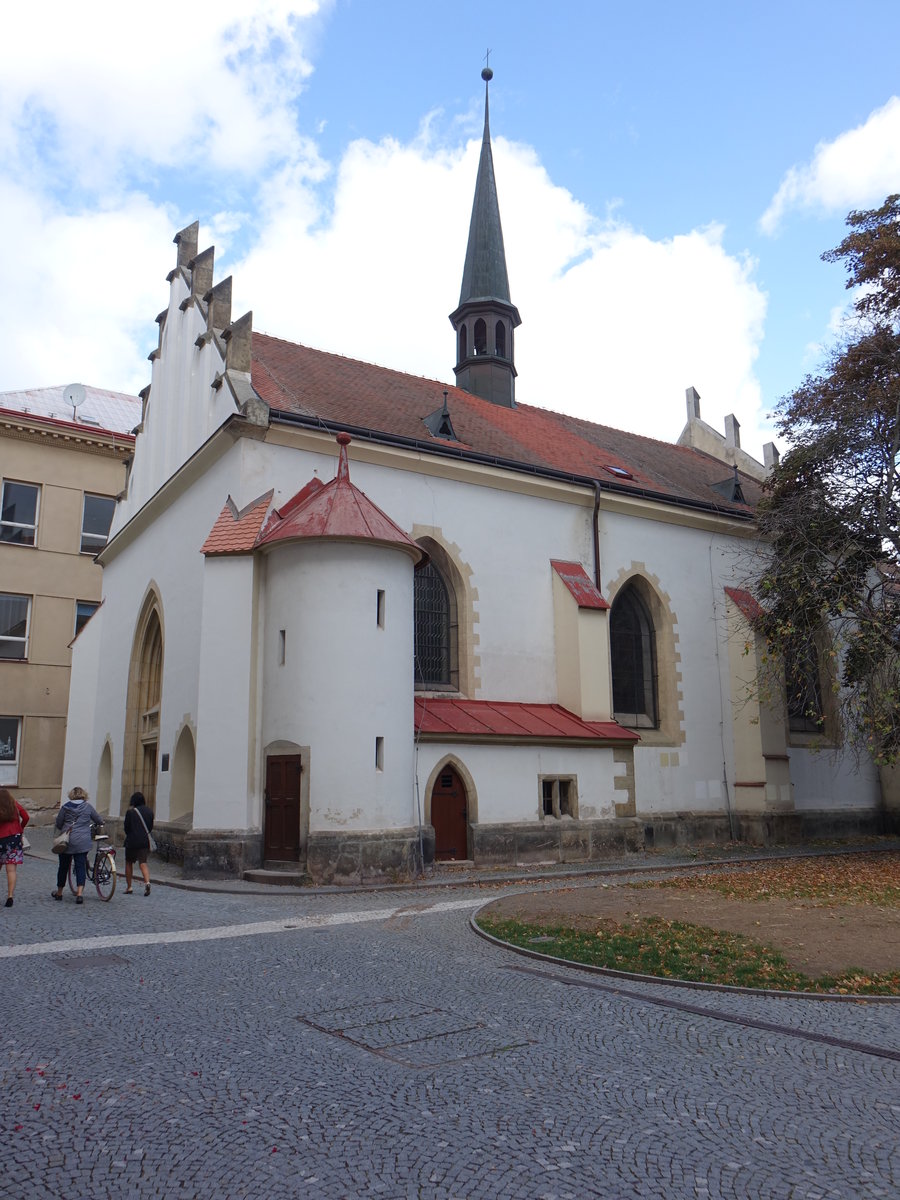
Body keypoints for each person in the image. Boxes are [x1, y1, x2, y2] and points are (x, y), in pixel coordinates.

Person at [51, 786, 103, 904]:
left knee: (63, 867)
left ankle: (59, 892)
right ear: (84, 795)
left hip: (67, 840)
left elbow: (59, 823)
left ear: (71, 795)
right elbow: (99, 820)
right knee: (80, 866)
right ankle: (79, 893)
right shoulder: (88, 807)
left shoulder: (65, 807)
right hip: (82, 842)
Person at [0, 788, 30, 907]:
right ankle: (10, 896)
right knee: (11, 870)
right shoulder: (14, 804)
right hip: (14, 837)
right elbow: (26, 817)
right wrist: (20, 828)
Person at [123, 791, 154, 896]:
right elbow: (150, 827)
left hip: (132, 840)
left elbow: (126, 828)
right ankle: (147, 882)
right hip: (144, 840)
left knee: (129, 862)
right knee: (143, 862)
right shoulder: (150, 812)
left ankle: (129, 887)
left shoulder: (130, 812)